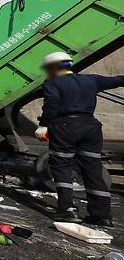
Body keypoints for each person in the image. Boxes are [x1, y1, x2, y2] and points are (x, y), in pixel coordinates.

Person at [35, 52, 124, 227]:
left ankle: (67, 210)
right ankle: (102, 215)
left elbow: (51, 103)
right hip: (90, 127)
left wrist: (44, 125)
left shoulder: (52, 83)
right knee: (93, 168)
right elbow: (118, 80)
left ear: (53, 68)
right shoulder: (91, 80)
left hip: (66, 126)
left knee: (62, 165)